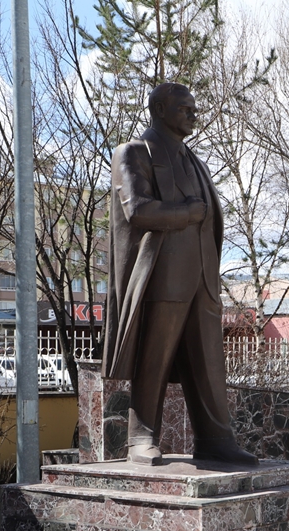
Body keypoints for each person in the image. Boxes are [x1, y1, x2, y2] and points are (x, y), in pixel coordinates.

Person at [102, 82, 257, 467]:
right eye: (185, 108)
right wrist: (186, 213)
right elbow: (137, 210)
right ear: (160, 109)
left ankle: (215, 439)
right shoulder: (133, 152)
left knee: (208, 362)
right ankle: (141, 437)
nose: (193, 114)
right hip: (164, 274)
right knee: (154, 356)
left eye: (194, 108)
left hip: (203, 276)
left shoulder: (195, 161)